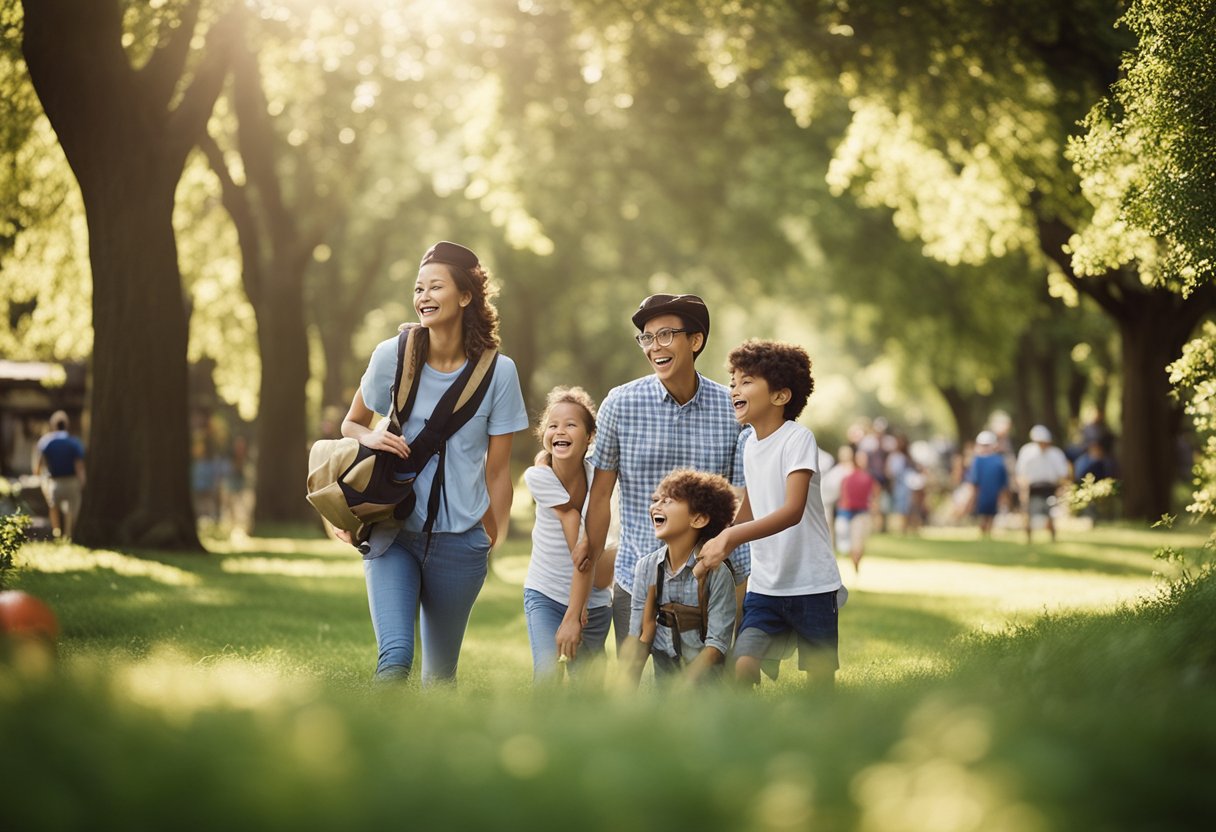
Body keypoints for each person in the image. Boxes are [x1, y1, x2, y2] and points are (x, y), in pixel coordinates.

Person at [339, 241, 528, 683]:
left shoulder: (500, 374)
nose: (423, 296)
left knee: (439, 679)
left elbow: (498, 471)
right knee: (395, 659)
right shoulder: (393, 355)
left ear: (465, 297)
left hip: (461, 545)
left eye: (435, 287)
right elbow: (351, 425)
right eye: (418, 288)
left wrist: (489, 541)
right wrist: (373, 436)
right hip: (392, 533)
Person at [578, 293, 749, 651]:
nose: (655, 346)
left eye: (666, 334)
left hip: (711, 577)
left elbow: (742, 499)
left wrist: (733, 568)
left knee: (705, 692)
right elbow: (601, 494)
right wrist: (589, 553)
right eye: (647, 337)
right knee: (633, 691)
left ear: (696, 340)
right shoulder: (621, 403)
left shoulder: (731, 408)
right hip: (637, 570)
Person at [697, 340, 845, 691]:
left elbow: (792, 511)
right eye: (733, 381)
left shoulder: (798, 439)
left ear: (780, 396)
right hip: (766, 586)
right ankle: (750, 735)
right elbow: (753, 502)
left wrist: (732, 538)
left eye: (746, 381)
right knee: (743, 664)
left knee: (820, 679)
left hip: (812, 583)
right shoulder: (749, 442)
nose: (734, 388)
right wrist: (723, 539)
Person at [521, 386, 611, 682]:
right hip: (546, 595)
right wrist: (575, 610)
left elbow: (594, 558)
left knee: (590, 691)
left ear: (589, 438)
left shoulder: (600, 478)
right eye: (553, 425)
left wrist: (584, 606)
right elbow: (581, 549)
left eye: (571, 424)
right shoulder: (539, 476)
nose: (560, 430)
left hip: (596, 603)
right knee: (547, 677)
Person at [619, 469, 738, 686]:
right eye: (656, 500)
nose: (656, 506)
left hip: (706, 691)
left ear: (699, 519)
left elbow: (716, 646)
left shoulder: (717, 573)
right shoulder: (646, 568)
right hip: (664, 687)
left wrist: (684, 685)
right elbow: (638, 634)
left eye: (668, 501)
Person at [33, 410, 86, 541]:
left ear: (53, 425)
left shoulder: (46, 441)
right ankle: (68, 535)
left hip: (54, 482)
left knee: (54, 507)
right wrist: (82, 481)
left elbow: (38, 466)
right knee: (70, 510)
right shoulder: (74, 442)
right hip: (72, 480)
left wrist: (39, 478)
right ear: (66, 425)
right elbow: (79, 465)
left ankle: (56, 532)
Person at [1016, 424, 1071, 544]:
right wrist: (1023, 490)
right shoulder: (1027, 452)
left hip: (1050, 487)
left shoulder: (1055, 454)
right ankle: (1028, 539)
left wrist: (1061, 489)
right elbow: (1021, 473)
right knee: (1028, 514)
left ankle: (1053, 538)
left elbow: (1063, 474)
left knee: (1051, 514)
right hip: (1032, 487)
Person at [836, 448, 879, 573]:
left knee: (858, 544)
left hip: (861, 512)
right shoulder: (845, 474)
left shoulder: (869, 476)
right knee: (846, 544)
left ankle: (856, 565)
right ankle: (853, 563)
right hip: (845, 511)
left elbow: (876, 493)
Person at [965, 430, 1009, 538]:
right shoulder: (979, 460)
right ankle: (984, 533)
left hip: (992, 492)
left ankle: (988, 532)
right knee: (984, 515)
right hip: (983, 493)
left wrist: (1003, 495)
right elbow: (974, 481)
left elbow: (1003, 480)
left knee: (991, 514)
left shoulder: (997, 460)